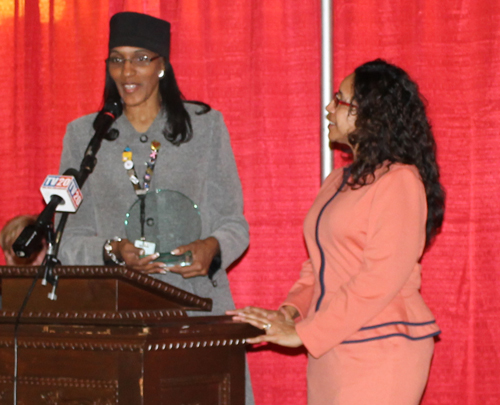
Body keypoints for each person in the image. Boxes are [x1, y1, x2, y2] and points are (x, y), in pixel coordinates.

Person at [57, 11, 253, 403]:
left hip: (197, 311)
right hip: (119, 318)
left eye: (141, 58)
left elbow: (234, 223)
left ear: (162, 65)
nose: (127, 70)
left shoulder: (205, 127)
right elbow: (68, 239)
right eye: (117, 58)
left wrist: (212, 249)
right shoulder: (85, 135)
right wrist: (112, 251)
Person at [228, 59, 445, 405]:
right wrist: (290, 313)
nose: (329, 107)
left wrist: (304, 334)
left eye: (339, 99)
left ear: (371, 113)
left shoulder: (400, 181)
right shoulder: (337, 181)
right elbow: (318, 265)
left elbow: (380, 278)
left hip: (382, 348)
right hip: (332, 346)